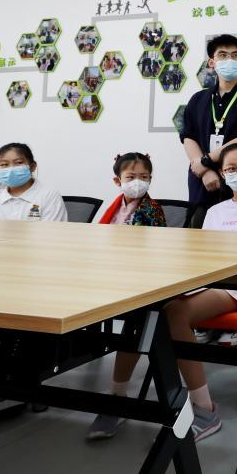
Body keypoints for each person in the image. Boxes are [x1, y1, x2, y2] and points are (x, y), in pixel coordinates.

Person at [159, 144, 237, 440]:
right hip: (210, 280)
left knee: (175, 313)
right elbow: (203, 254)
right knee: (156, 306)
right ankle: (167, 399)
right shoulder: (215, 211)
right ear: (223, 174)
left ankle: (205, 409)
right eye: (231, 169)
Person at [0, 142, 67, 421]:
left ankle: (23, 386)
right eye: (4, 165)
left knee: (26, 328)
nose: (11, 169)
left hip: (36, 277)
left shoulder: (47, 195)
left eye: (18, 163)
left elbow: (52, 239)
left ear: (32, 166)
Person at [85, 152, 166, 440]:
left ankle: (117, 397)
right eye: (131, 177)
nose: (138, 182)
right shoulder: (114, 207)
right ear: (117, 180)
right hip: (110, 275)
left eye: (144, 177)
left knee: (135, 323)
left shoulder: (152, 209)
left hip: (141, 281)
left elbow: (156, 251)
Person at [179, 34, 237, 226]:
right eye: (223, 55)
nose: (230, 60)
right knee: (197, 234)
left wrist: (205, 161)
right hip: (201, 185)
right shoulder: (198, 99)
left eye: (235, 55)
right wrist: (204, 171)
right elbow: (188, 137)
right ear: (212, 62)